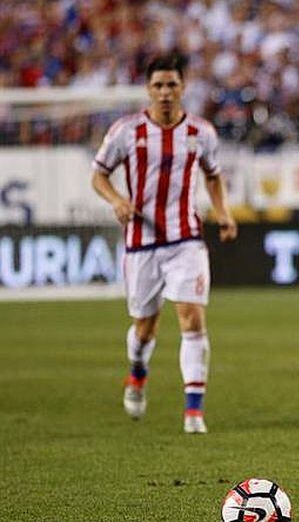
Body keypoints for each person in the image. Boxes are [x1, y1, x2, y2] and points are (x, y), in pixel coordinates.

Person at [91, 53, 237, 434]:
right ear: (148, 89)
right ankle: (137, 373)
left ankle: (193, 412)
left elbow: (214, 175)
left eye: (172, 84)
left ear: (183, 87)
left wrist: (223, 212)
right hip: (141, 243)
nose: (166, 92)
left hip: (186, 240)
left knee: (192, 319)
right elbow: (99, 176)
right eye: (158, 85)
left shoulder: (201, 133)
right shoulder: (126, 131)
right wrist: (117, 200)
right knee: (145, 327)